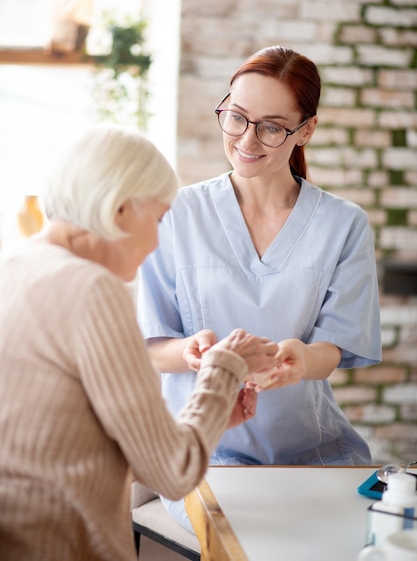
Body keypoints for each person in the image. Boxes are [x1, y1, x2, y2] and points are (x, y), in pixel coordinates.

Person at [0, 123, 279, 561]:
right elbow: (172, 473)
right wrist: (225, 369)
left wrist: (210, 414)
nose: (156, 241)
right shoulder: (92, 288)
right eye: (160, 219)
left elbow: (76, 442)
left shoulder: (16, 264)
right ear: (120, 211)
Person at [138, 45, 382, 532]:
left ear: (306, 130)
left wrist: (301, 361)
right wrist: (194, 353)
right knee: (255, 536)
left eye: (272, 126)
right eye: (236, 117)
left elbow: (335, 348)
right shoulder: (176, 214)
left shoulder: (344, 224)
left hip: (313, 453)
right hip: (204, 454)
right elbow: (149, 346)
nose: (247, 139)